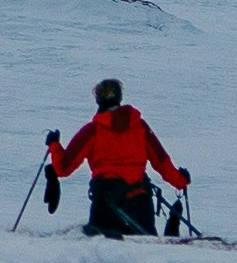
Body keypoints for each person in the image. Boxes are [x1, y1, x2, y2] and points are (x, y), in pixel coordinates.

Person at [44, 77, 186, 237]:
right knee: (145, 245)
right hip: (140, 204)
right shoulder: (140, 126)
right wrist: (181, 181)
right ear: (120, 97)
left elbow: (63, 168)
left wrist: (54, 145)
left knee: (103, 243)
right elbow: (162, 162)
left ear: (98, 100)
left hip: (107, 206)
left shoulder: (92, 131)